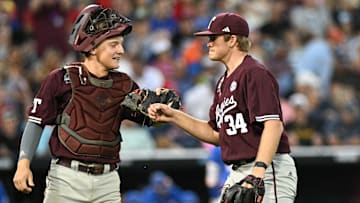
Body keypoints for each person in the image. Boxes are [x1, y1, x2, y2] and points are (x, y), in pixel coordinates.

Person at [148, 12, 298, 202]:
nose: (208, 43)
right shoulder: (222, 82)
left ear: (232, 40)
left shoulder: (254, 73)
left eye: (213, 38)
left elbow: (273, 125)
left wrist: (258, 172)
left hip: (267, 168)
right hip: (238, 170)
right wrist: (173, 116)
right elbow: (216, 135)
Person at [12, 4, 153, 202]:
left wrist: (161, 111)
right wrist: (23, 163)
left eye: (121, 44)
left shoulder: (125, 84)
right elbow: (36, 121)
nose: (121, 50)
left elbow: (149, 119)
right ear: (93, 47)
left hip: (109, 182)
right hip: (66, 179)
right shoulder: (60, 79)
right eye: (114, 44)